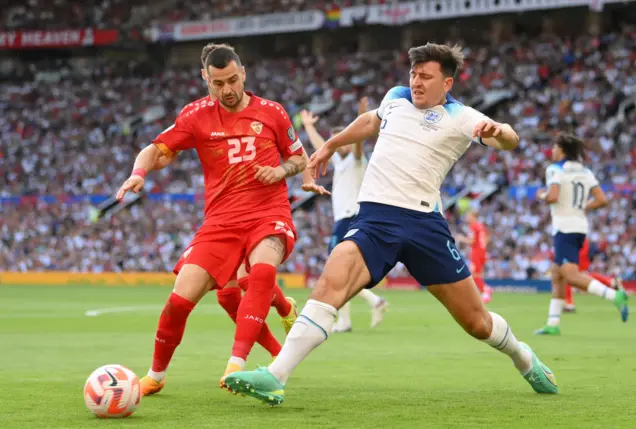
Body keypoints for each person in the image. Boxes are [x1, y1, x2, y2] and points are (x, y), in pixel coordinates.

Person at [224, 43, 559, 405]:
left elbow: (509, 139)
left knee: (476, 322)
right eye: (414, 74)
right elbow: (371, 121)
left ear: (446, 83)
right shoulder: (396, 98)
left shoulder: (460, 116)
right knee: (329, 284)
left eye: (426, 76)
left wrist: (501, 130)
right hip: (375, 219)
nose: (416, 81)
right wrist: (331, 144)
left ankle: (523, 358)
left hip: (424, 225)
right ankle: (276, 376)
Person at [116, 44, 314, 397]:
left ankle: (236, 365)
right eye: (218, 83)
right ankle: (156, 376)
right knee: (179, 301)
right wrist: (139, 172)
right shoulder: (195, 116)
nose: (227, 89)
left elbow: (299, 159)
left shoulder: (273, 113)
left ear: (244, 73)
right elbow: (157, 149)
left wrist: (279, 169)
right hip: (221, 222)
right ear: (205, 79)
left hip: (268, 213)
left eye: (233, 80)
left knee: (262, 272)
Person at [300, 98, 389, 333]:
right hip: (345, 218)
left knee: (336, 269)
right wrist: (309, 126)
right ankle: (351, 318)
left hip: (351, 217)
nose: (340, 145)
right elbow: (322, 146)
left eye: (342, 140)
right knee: (340, 271)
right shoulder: (340, 163)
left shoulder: (357, 159)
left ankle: (368, 305)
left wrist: (362, 115)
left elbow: (359, 141)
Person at [534, 133, 629, 335]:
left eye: (555, 147)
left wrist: (541, 195)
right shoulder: (585, 171)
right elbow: (602, 199)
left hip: (564, 228)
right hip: (579, 227)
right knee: (557, 274)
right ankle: (553, 323)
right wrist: (584, 207)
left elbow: (552, 196)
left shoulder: (554, 170)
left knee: (571, 275)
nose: (552, 151)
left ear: (562, 150)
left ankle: (614, 295)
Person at [562, 237, 622, 313]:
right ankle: (611, 282)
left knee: (570, 274)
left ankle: (569, 304)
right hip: (578, 241)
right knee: (576, 275)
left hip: (575, 241)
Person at [456, 209, 491, 303]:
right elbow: (488, 237)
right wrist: (483, 246)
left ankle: (485, 290)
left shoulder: (474, 226)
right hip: (482, 251)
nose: (467, 218)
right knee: (476, 273)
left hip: (476, 252)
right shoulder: (481, 226)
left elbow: (471, 241)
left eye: (468, 216)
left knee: (474, 273)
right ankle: (481, 291)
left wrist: (461, 238)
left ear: (473, 217)